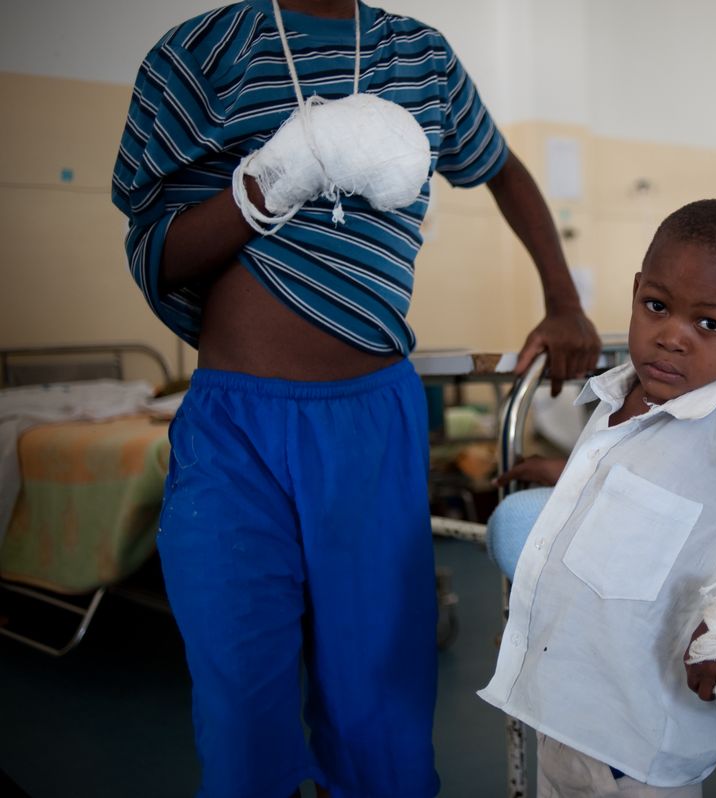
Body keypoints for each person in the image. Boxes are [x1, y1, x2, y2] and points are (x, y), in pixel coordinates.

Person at [111, 1, 600, 796]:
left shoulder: (422, 57)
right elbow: (155, 254)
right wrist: (269, 185)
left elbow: (502, 167)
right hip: (235, 431)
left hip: (370, 421)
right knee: (241, 713)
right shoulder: (202, 53)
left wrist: (563, 298)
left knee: (382, 706)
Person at [480, 199, 716, 797]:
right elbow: (640, 482)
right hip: (562, 708)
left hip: (641, 737)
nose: (671, 337)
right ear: (635, 293)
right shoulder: (618, 397)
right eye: (656, 306)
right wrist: (568, 470)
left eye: (708, 324)